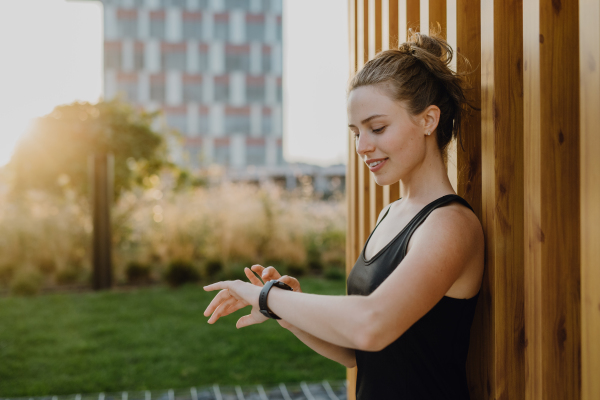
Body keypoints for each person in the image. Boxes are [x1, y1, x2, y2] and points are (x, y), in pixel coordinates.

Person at [203, 30, 484, 399]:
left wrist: (266, 296)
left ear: (428, 120)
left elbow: (371, 324)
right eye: (356, 132)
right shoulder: (391, 215)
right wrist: (286, 310)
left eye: (377, 128)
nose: (363, 146)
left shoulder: (451, 224)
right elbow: (356, 351)